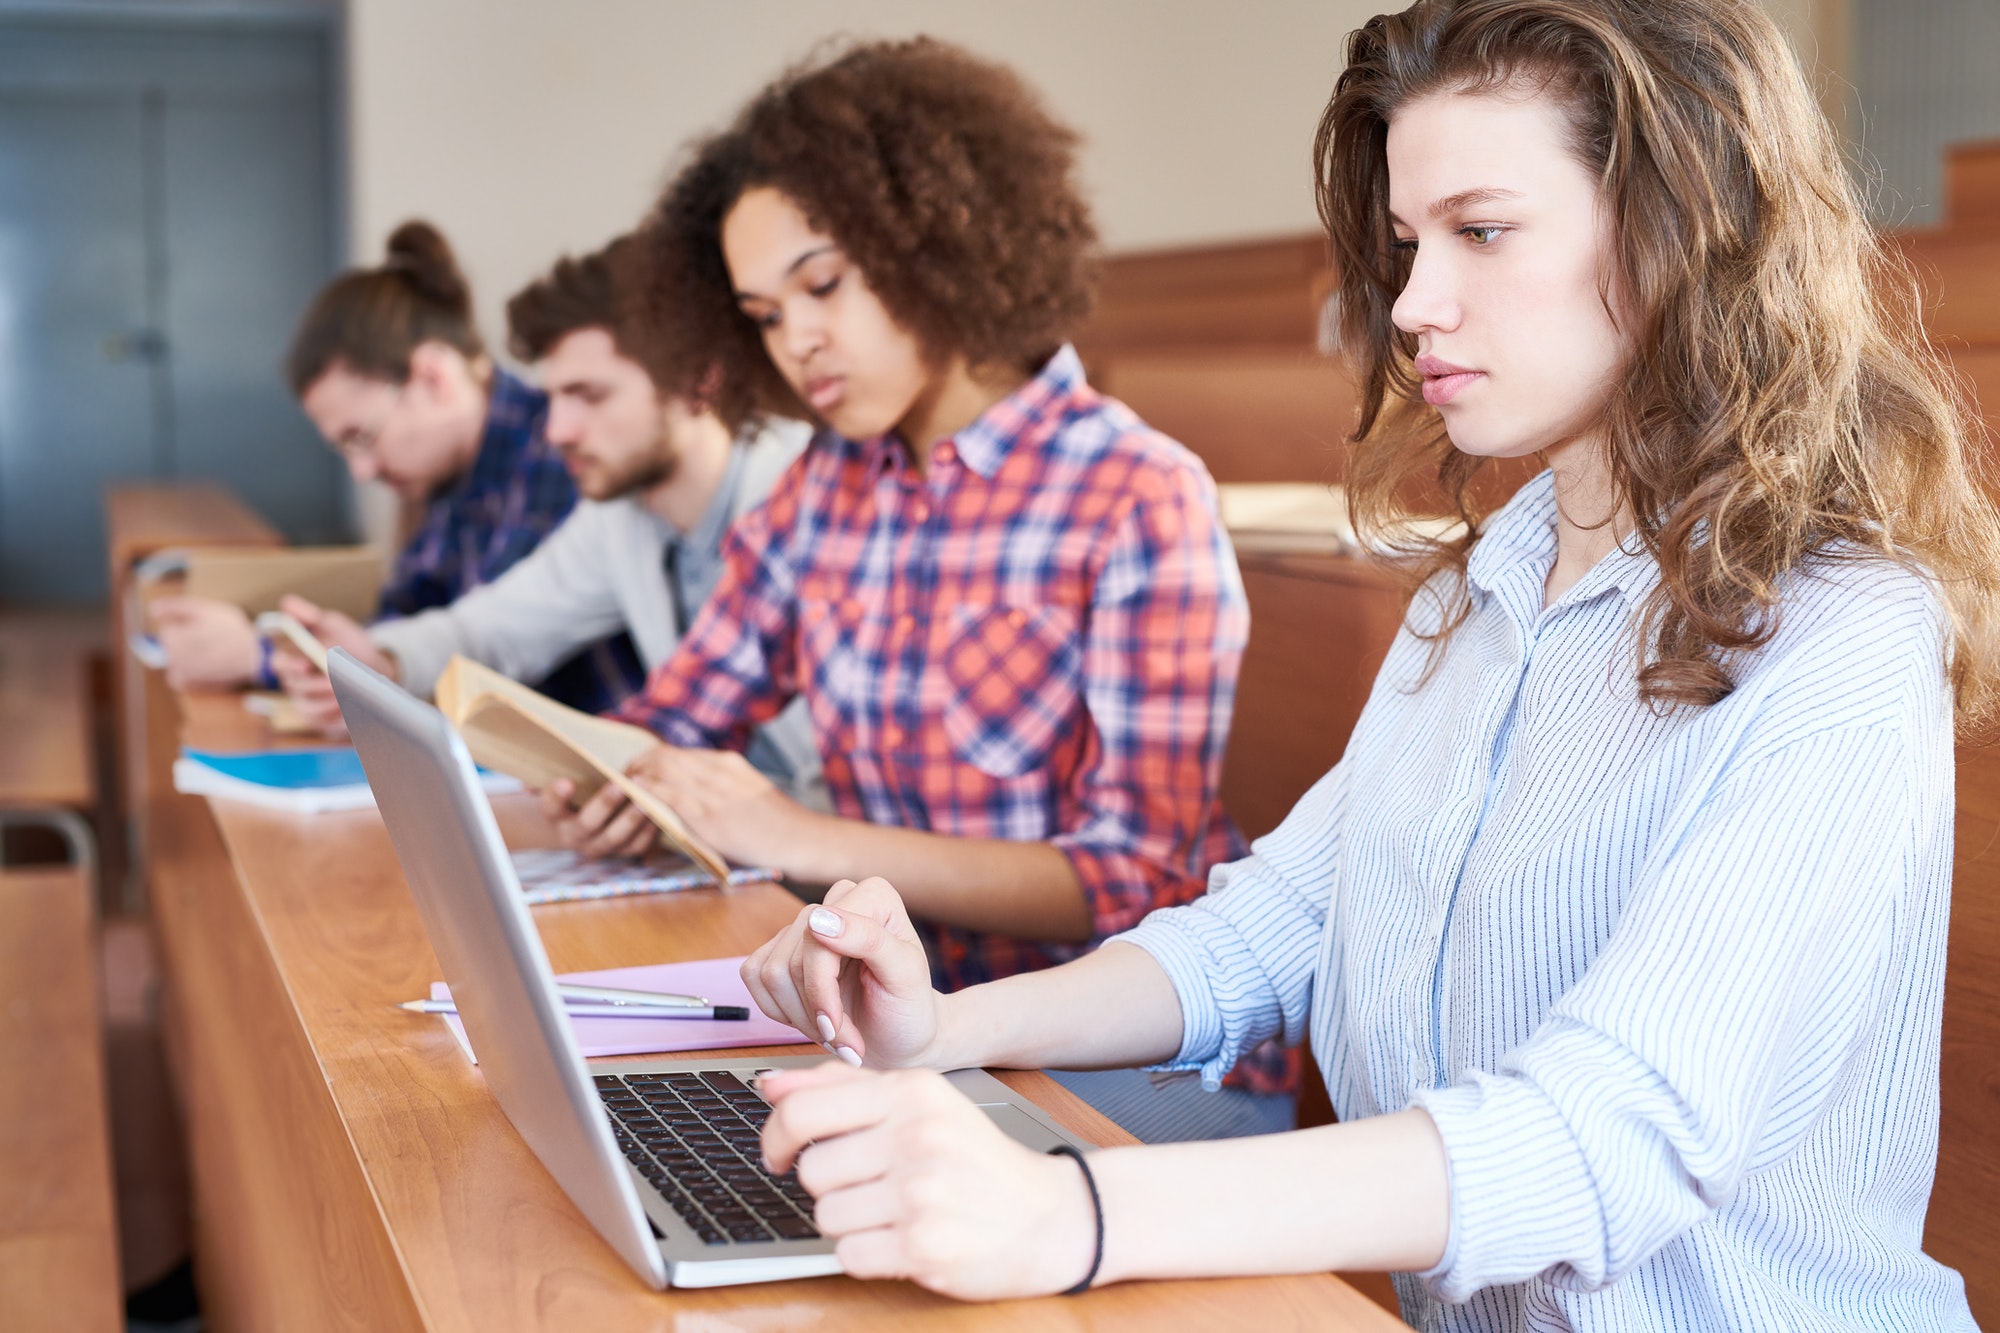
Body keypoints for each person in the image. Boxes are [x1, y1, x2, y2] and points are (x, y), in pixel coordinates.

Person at [731, 1, 1997, 1325]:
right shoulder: (1490, 583)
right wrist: (945, 1032)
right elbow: (1273, 927)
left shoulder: (1845, 634)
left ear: (1681, 233)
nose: (1413, 304)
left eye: (1484, 232)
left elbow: (1609, 1133)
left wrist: (1068, 1209)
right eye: (1406, 244)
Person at [547, 38, 1249, 997]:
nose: (797, 340)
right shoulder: (818, 491)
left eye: (823, 283)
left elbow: (1137, 878)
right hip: (894, 1019)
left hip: (1104, 1045)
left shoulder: (1137, 494)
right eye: (761, 314)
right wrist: (616, 776)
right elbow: (680, 711)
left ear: (939, 239)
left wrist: (793, 836)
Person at [268, 236, 822, 802]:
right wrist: (382, 658)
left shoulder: (807, 498)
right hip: (715, 837)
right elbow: (496, 628)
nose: (557, 430)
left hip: (825, 862)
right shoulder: (622, 513)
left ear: (698, 381)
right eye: (555, 397)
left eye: (590, 395)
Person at [148, 221, 640, 715]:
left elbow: (495, 670)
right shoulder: (452, 480)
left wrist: (264, 657)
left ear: (433, 375)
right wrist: (332, 653)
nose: (362, 470)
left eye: (361, 436)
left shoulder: (557, 460)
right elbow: (418, 622)